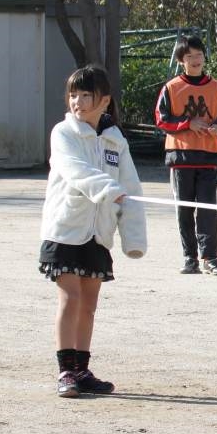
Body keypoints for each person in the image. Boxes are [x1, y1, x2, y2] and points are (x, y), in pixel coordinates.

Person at [39, 66, 146, 398]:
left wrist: (133, 239)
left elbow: (131, 188)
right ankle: (65, 371)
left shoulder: (116, 140)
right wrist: (109, 189)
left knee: (88, 304)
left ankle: (82, 370)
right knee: (70, 298)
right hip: (65, 229)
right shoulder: (63, 133)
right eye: (73, 95)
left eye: (86, 95)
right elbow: (76, 171)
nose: (78, 102)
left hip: (98, 234)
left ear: (104, 101)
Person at [154, 35, 217, 276]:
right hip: (181, 157)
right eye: (190, 56)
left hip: (208, 156)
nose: (196, 60)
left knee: (207, 209)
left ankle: (210, 258)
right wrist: (188, 123)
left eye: (199, 55)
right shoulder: (171, 88)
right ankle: (190, 258)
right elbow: (161, 120)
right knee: (185, 209)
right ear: (181, 61)